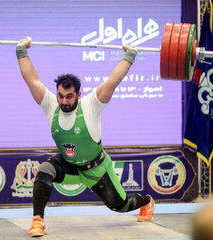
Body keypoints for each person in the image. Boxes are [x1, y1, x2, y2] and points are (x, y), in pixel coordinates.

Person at [16, 37, 155, 237]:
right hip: (69, 165)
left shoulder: (91, 104)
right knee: (44, 170)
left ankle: (147, 201)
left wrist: (130, 55)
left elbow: (113, 81)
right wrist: (21, 52)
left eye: (69, 96)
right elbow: (32, 80)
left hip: (96, 168)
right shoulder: (50, 104)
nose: (64, 101)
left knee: (120, 205)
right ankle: (38, 221)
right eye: (61, 95)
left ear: (78, 95)